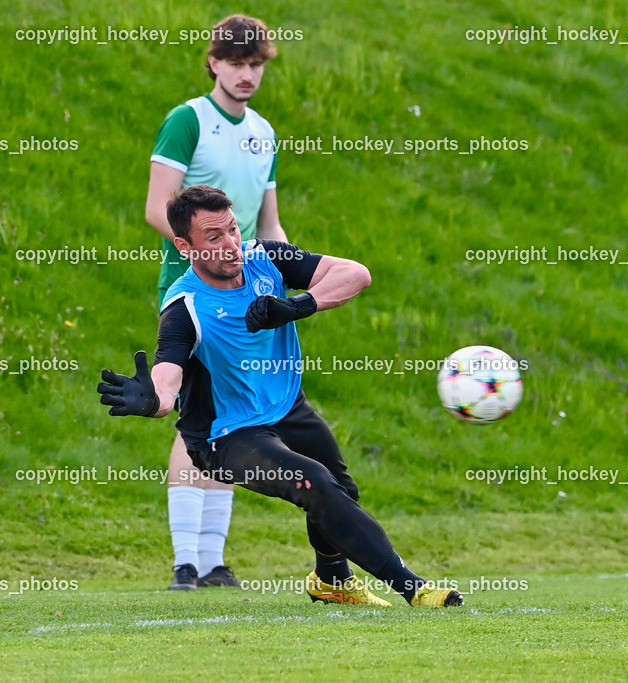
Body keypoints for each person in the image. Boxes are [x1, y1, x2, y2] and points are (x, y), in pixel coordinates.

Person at [99, 185, 463, 608]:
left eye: (232, 230)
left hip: (287, 407)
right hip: (225, 435)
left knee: (341, 490)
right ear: (184, 246)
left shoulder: (266, 257)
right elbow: (166, 380)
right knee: (316, 483)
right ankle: (413, 589)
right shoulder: (185, 307)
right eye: (214, 238)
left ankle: (331, 581)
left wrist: (296, 306)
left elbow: (356, 274)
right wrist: (151, 401)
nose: (231, 244)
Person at [144, 14, 288, 590]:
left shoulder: (265, 132)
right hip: (195, 290)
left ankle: (213, 563)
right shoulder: (188, 120)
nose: (246, 73)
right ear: (213, 62)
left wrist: (287, 289)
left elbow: (270, 227)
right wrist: (210, 257)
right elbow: (159, 208)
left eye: (255, 64)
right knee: (193, 419)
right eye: (235, 62)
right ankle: (186, 560)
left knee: (234, 417)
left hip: (244, 295)